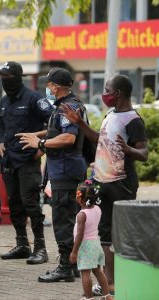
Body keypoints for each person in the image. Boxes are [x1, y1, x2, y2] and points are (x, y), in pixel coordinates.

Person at [61, 74, 148, 295]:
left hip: (122, 185)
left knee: (120, 235)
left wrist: (129, 150)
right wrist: (79, 123)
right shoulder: (111, 115)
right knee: (105, 235)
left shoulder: (133, 120)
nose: (104, 94)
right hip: (102, 182)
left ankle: (120, 282)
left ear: (118, 93)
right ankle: (109, 285)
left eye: (107, 89)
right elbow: (99, 139)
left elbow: (145, 153)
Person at [17, 67, 88, 282]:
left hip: (66, 171)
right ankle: (74, 265)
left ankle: (65, 267)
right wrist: (37, 134)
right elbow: (57, 131)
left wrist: (40, 143)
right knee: (73, 218)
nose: (46, 88)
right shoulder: (66, 106)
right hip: (67, 169)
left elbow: (68, 138)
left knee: (62, 219)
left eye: (48, 84)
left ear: (56, 87)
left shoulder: (68, 107)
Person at [0, 61, 53, 265]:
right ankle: (22, 245)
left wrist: (42, 146)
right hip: (8, 160)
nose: (5, 81)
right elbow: (1, 126)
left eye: (8, 77)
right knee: (14, 203)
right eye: (2, 78)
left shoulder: (35, 99)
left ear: (19, 78)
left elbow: (54, 122)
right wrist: (0, 142)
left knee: (31, 204)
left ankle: (40, 247)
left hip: (28, 161)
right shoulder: (4, 101)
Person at [70, 180, 112, 300]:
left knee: (85, 273)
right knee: (98, 271)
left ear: (79, 198)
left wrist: (74, 252)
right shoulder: (98, 209)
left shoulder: (82, 215)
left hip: (85, 246)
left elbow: (80, 235)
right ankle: (107, 295)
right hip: (95, 244)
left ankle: (89, 297)